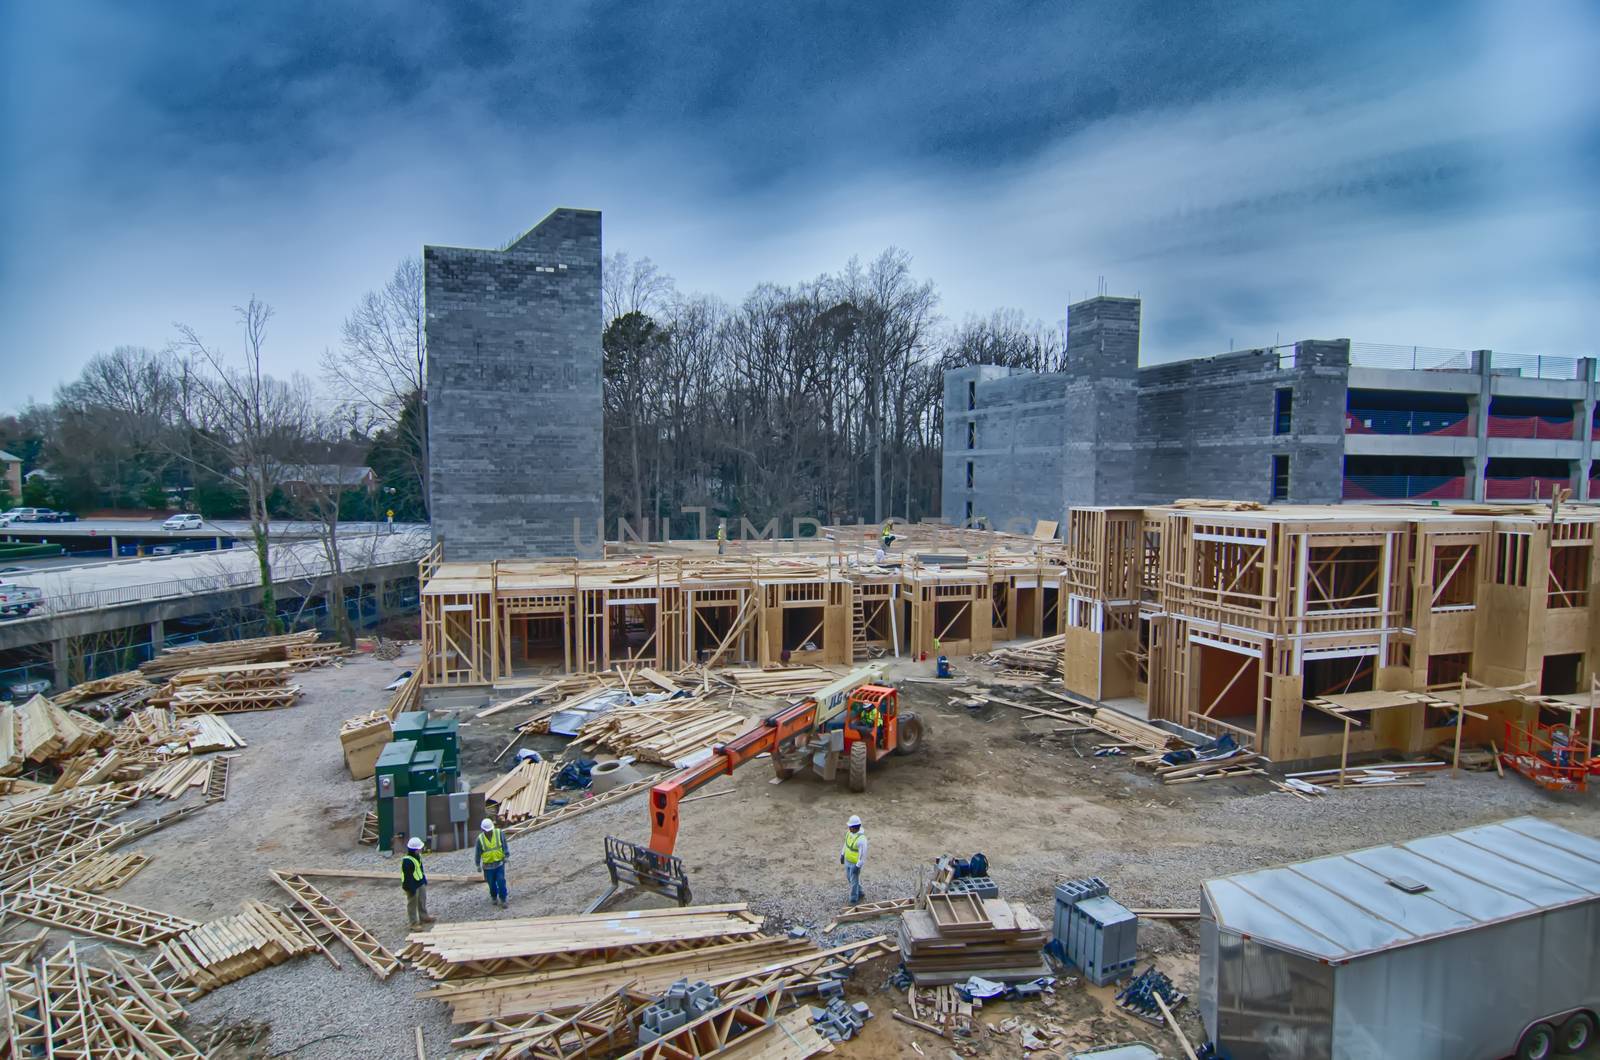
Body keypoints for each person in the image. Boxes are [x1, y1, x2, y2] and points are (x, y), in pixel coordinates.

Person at [475, 817, 510, 907]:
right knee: (491, 884)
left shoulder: (499, 833)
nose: (489, 832)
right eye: (487, 830)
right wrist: (477, 864)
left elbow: (504, 844)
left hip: (499, 864)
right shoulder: (480, 839)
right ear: (483, 829)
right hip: (488, 867)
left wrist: (506, 855)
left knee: (501, 881)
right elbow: (478, 852)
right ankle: (494, 896)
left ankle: (503, 899)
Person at [401, 836, 435, 928]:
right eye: (419, 848)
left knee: (422, 900)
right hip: (411, 885)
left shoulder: (417, 857)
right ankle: (413, 923)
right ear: (414, 850)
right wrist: (411, 888)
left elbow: (420, 869)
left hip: (419, 882)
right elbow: (408, 876)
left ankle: (423, 917)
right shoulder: (407, 861)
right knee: (412, 903)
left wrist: (423, 880)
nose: (421, 850)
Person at [840, 815, 867, 905]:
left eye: (850, 827)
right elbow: (846, 844)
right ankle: (860, 891)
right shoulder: (849, 833)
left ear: (855, 827)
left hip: (855, 864)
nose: (849, 828)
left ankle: (853, 899)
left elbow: (863, 855)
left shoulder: (861, 839)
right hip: (848, 861)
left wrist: (858, 865)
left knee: (854, 881)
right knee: (850, 878)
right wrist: (842, 854)